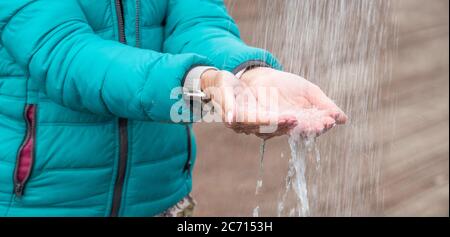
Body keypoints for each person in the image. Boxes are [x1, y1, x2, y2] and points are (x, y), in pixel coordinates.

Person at [0, 0, 347, 217]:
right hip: (41, 204)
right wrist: (197, 80)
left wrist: (248, 73)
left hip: (164, 200)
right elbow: (70, 57)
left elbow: (199, 25)